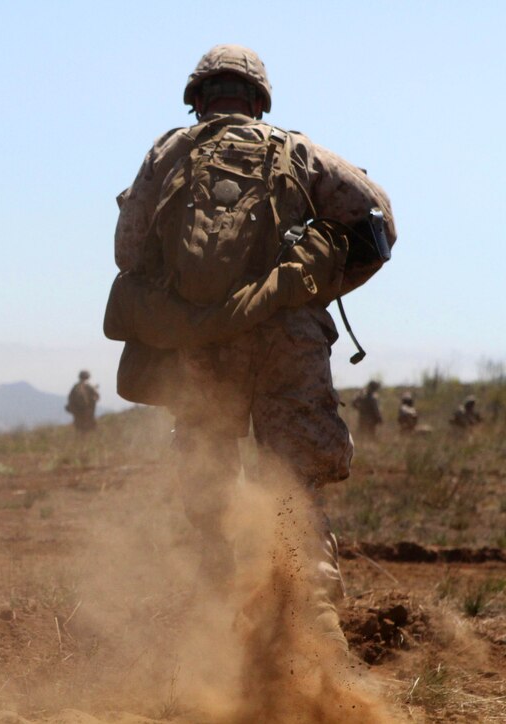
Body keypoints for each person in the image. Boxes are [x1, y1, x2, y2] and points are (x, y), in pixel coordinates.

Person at [108, 45, 396, 639]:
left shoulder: (167, 152)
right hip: (287, 341)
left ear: (197, 99)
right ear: (260, 101)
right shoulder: (295, 151)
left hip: (202, 345)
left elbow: (128, 251)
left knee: (209, 477)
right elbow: (378, 222)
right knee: (291, 484)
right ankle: (312, 625)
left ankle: (219, 620)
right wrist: (312, 283)